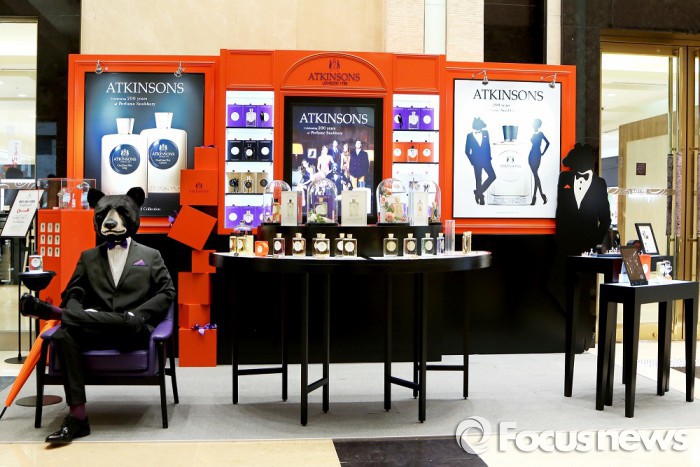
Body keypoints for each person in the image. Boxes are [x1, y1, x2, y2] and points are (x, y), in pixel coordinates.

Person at [19, 187, 175, 444]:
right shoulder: (88, 257)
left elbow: (167, 292)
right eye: (104, 216)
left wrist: (139, 314)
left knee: (123, 322)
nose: (111, 221)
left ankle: (55, 314)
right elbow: (74, 292)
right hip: (96, 329)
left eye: (120, 214)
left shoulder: (150, 255)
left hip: (131, 330)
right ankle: (78, 418)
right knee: (64, 336)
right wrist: (77, 311)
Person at [464, 117, 496, 205]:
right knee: (478, 179)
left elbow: (488, 146)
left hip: (486, 160)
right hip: (476, 161)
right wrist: (472, 161)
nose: (481, 127)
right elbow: (467, 151)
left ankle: (478, 192)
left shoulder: (486, 133)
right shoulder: (469, 136)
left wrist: (489, 157)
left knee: (492, 176)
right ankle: (481, 198)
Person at [528, 118, 550, 205]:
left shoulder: (540, 134)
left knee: (535, 175)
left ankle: (536, 198)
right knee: (535, 176)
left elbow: (548, 143)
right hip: (531, 154)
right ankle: (541, 196)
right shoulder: (533, 133)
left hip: (537, 154)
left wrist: (543, 152)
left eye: (534, 123)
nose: (533, 124)